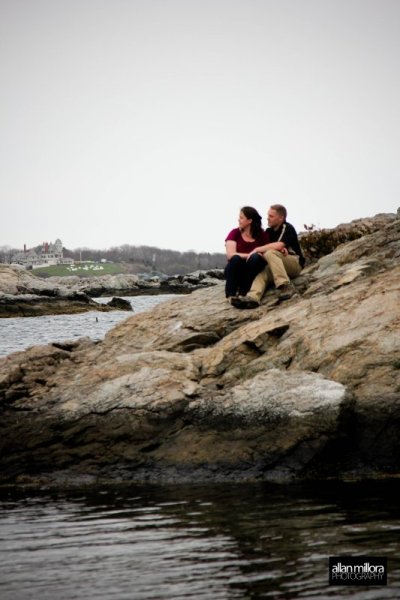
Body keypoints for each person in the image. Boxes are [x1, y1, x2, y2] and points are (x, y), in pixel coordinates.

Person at [231, 204, 305, 309]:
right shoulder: (268, 232)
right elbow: (266, 250)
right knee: (263, 272)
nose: (267, 218)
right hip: (277, 264)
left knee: (270, 252)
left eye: (271, 216)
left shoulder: (287, 227)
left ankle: (286, 286)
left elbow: (278, 245)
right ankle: (252, 298)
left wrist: (258, 249)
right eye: (268, 215)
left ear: (281, 218)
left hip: (294, 264)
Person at [224, 206, 270, 301]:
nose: (238, 220)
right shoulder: (235, 232)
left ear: (249, 221)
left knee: (256, 259)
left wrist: (255, 255)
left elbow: (268, 254)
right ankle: (231, 295)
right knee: (236, 258)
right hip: (236, 270)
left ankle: (243, 293)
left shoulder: (262, 235)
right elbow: (230, 255)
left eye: (241, 218)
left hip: (253, 272)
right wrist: (250, 255)